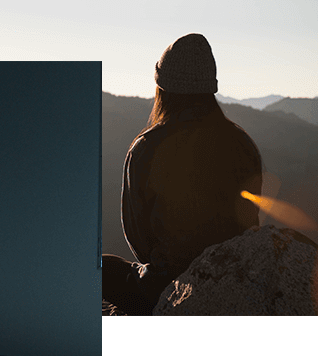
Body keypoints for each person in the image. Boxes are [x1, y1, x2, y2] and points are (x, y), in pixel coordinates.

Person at [104, 33, 263, 313]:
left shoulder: (146, 148)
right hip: (236, 275)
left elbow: (138, 236)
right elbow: (249, 216)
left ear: (163, 88)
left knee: (99, 267)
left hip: (165, 286)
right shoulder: (242, 145)